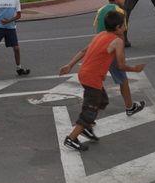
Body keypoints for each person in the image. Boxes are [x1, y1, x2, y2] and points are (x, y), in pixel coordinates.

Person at [58, 11, 145, 151]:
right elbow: (121, 65)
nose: (125, 27)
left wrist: (70, 65)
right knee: (90, 110)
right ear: (118, 27)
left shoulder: (100, 35)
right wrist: (135, 69)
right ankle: (71, 138)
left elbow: (83, 51)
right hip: (92, 78)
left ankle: (86, 127)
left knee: (102, 100)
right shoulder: (117, 41)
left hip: (85, 74)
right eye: (124, 25)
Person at [63, 0, 145, 116]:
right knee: (122, 80)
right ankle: (129, 107)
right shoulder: (119, 12)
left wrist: (70, 64)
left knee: (94, 82)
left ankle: (91, 113)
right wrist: (122, 55)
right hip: (112, 51)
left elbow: (97, 30)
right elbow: (121, 34)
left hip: (98, 47)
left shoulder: (101, 10)